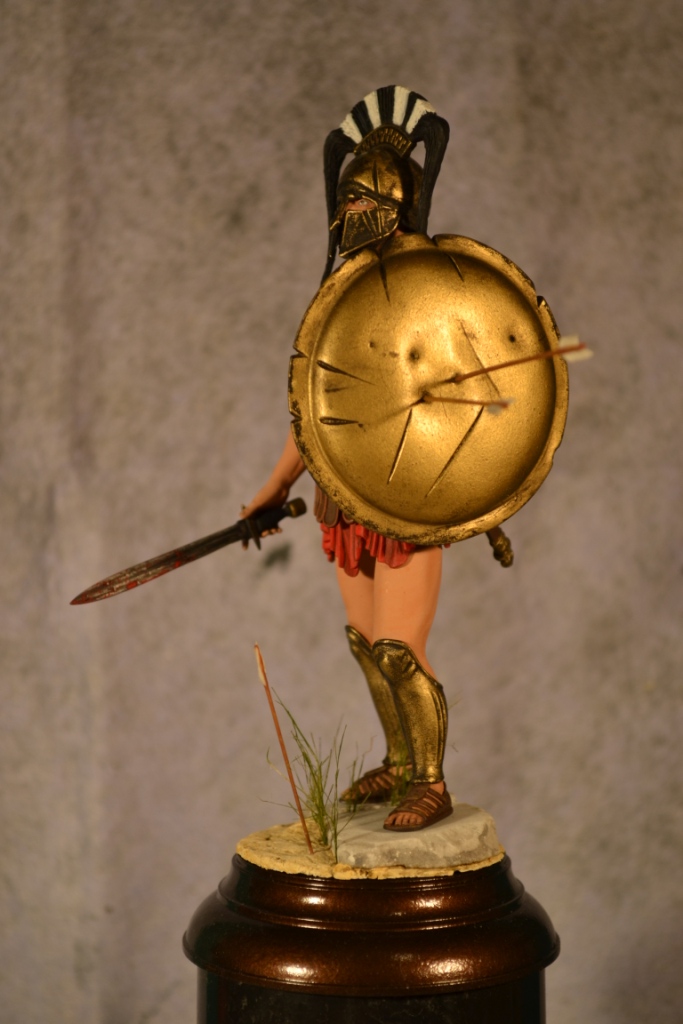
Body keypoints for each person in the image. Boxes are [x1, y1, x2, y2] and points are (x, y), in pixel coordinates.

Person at [241, 87, 457, 831]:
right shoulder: (336, 298)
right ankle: (398, 760)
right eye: (349, 196)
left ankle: (430, 781)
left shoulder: (426, 297)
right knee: (366, 646)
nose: (354, 209)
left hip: (402, 501)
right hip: (342, 498)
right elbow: (313, 416)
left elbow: (458, 405)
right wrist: (274, 488)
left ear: (398, 205)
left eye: (368, 196)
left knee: (399, 650)